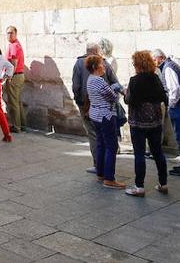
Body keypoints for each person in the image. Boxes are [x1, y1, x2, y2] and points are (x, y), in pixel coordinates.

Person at [124, 50, 168, 197]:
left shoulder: (134, 81)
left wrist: (125, 92)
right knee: (158, 153)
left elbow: (129, 100)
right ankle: (163, 183)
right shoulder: (155, 78)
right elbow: (163, 96)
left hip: (138, 123)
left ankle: (139, 186)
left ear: (137, 64)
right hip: (155, 121)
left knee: (139, 154)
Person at [72, 42, 117, 172]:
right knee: (105, 137)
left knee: (93, 135)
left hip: (86, 105)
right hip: (104, 106)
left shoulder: (79, 64)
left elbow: (76, 86)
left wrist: (79, 102)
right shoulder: (104, 63)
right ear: (97, 52)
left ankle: (99, 165)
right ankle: (104, 168)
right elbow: (115, 82)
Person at [154, 49, 180, 177]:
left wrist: (171, 105)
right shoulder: (170, 65)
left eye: (154, 59)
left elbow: (174, 89)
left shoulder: (168, 68)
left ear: (160, 58)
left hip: (178, 106)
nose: (153, 62)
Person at [86, 54, 125, 189]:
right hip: (105, 116)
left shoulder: (91, 79)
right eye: (102, 64)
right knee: (111, 146)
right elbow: (113, 98)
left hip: (96, 115)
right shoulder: (99, 81)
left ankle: (101, 173)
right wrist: (116, 88)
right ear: (96, 67)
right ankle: (109, 178)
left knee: (101, 144)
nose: (104, 67)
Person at [4, 26, 27, 133]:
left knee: (13, 103)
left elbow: (14, 64)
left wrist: (9, 77)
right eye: (8, 33)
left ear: (16, 34)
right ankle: (22, 125)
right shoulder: (16, 44)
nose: (9, 35)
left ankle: (16, 126)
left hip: (15, 76)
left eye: (11, 33)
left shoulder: (13, 46)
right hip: (19, 75)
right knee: (17, 102)